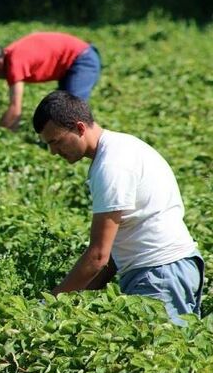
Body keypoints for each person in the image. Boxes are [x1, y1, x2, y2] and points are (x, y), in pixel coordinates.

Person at [33, 90, 203, 325]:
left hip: (158, 273)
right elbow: (113, 252)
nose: (53, 151)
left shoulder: (112, 165)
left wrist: (48, 305)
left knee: (159, 356)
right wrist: (77, 299)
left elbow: (98, 256)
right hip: (167, 270)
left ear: (79, 128)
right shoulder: (120, 148)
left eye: (56, 141)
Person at [0, 31, 102, 130]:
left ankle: (94, 146)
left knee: (73, 111)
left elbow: (15, 110)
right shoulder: (12, 55)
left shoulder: (14, 62)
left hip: (81, 59)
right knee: (61, 111)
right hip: (70, 65)